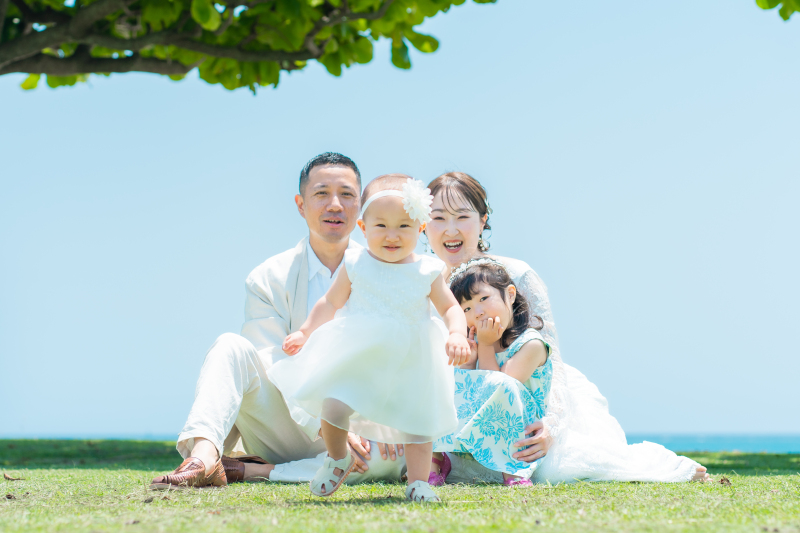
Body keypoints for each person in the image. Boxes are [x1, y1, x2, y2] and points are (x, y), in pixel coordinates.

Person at [424, 171, 710, 484]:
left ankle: (662, 465)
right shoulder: (420, 281)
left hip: (529, 396)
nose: (450, 229)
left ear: (482, 220)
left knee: (556, 470)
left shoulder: (515, 274)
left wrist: (552, 425)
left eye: (462, 216)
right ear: (424, 224)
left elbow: (551, 356)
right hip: (456, 404)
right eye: (438, 218)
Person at [149, 153, 406, 490]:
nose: (334, 205)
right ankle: (204, 457)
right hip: (289, 424)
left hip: (362, 426)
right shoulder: (268, 277)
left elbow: (401, 360)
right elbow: (270, 360)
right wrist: (323, 421)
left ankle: (251, 471)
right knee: (231, 346)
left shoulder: (389, 272)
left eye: (346, 194)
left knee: (387, 456)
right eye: (321, 194)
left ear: (360, 207)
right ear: (301, 205)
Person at [268, 174, 470, 502]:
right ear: (363, 228)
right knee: (332, 407)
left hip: (412, 359)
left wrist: (457, 333)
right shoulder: (356, 262)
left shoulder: (427, 270)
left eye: (404, 226)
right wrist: (305, 331)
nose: (392, 236)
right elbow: (330, 302)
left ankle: (419, 481)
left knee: (418, 424)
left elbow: (450, 308)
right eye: (381, 226)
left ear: (420, 229)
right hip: (360, 355)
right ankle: (338, 458)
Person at [431, 259, 552, 487]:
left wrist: (487, 345)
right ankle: (434, 461)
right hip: (478, 433)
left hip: (518, 430)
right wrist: (469, 361)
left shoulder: (531, 344)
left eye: (484, 299)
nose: (477, 312)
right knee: (441, 381)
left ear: (511, 294)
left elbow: (499, 389)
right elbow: (467, 387)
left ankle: (513, 471)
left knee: (501, 385)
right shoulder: (477, 341)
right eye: (466, 308)